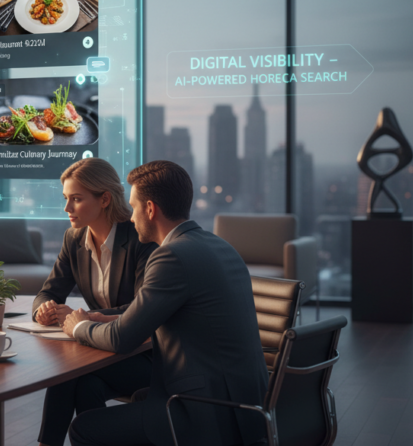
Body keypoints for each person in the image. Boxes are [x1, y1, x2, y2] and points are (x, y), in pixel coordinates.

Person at [62, 160, 269, 446]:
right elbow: (163, 313)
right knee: (93, 387)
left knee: (84, 428)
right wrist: (104, 318)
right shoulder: (218, 245)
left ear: (150, 209)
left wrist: (79, 326)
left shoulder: (171, 256)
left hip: (205, 411)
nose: (131, 218)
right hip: (247, 405)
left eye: (134, 208)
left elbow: (122, 339)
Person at [31, 157, 158, 446]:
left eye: (76, 199)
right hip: (99, 350)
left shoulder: (140, 238)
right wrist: (45, 309)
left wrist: (84, 316)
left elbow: (142, 308)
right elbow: (48, 291)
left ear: (104, 199)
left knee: (68, 374)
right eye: (66, 198)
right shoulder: (73, 239)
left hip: (142, 354)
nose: (67, 208)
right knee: (86, 384)